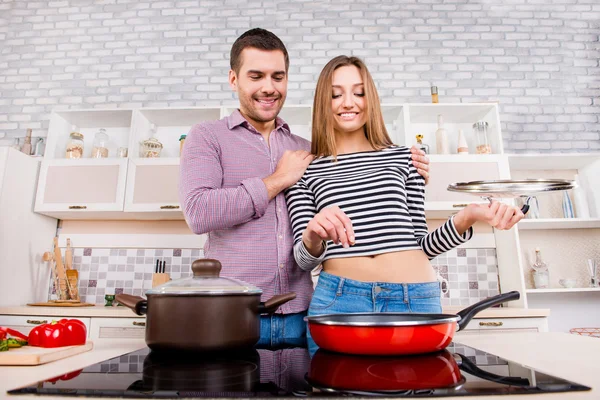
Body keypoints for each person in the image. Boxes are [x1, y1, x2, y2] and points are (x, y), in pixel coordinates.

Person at [179, 29, 431, 347]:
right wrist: (278, 180)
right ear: (234, 79)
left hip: (302, 317)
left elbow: (360, 217)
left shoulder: (308, 152)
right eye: (256, 76)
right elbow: (199, 213)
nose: (268, 87)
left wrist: (408, 172)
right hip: (230, 316)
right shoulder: (207, 136)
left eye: (277, 76)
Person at [284, 56, 525, 325]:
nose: (348, 102)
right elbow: (303, 261)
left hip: (415, 297)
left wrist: (468, 216)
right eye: (335, 94)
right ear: (322, 103)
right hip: (340, 301)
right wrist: (313, 233)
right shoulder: (305, 169)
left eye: (359, 92)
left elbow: (423, 246)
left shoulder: (406, 158)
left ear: (371, 99)